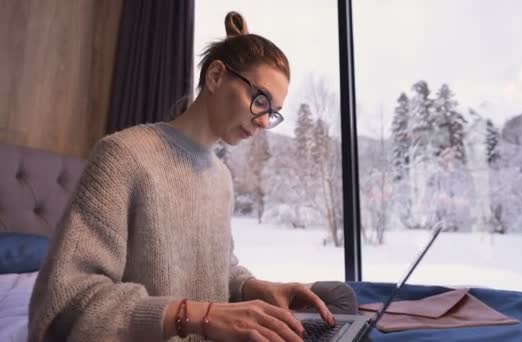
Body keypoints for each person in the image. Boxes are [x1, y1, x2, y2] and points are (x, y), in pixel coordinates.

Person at [28, 11, 356, 342]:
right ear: (215, 76)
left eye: (272, 113)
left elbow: (218, 273)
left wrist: (256, 288)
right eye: (260, 100)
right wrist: (198, 316)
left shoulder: (221, 180)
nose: (262, 121)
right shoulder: (123, 157)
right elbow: (66, 304)